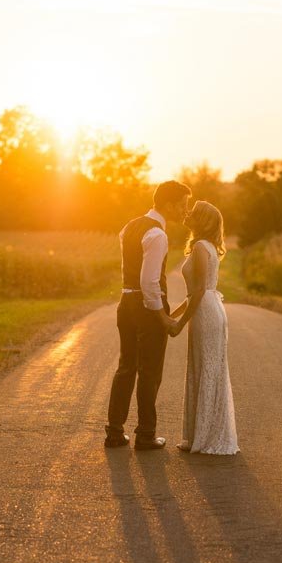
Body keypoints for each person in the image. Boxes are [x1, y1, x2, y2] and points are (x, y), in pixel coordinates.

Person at [104, 180, 191, 450]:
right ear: (168, 204)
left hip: (125, 302)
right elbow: (150, 282)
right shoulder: (158, 235)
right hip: (145, 306)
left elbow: (131, 273)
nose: (185, 210)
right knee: (150, 371)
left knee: (126, 367)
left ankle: (115, 433)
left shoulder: (129, 226)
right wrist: (162, 317)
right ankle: (145, 434)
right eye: (182, 204)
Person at [169, 201, 239, 455]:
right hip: (209, 307)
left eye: (193, 211)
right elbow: (195, 293)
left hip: (205, 312)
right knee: (205, 367)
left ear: (202, 220)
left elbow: (197, 291)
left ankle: (207, 436)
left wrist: (179, 323)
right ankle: (203, 433)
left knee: (206, 367)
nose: (187, 213)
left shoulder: (200, 247)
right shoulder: (206, 246)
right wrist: (171, 313)